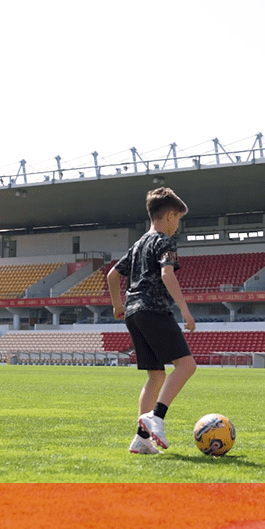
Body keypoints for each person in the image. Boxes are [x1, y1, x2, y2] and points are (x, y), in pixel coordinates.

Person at [107, 187, 197, 455]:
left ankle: (141, 440)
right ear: (169, 215)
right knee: (187, 366)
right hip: (154, 309)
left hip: (133, 313)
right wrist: (185, 309)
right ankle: (156, 416)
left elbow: (113, 275)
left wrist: (117, 306)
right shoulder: (165, 242)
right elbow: (168, 274)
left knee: (156, 374)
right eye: (178, 219)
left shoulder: (137, 246)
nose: (177, 225)